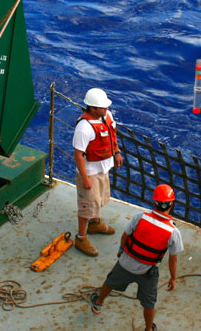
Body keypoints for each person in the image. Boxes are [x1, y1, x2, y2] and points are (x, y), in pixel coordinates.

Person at [89, 184, 183, 331]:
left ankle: (98, 303)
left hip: (126, 263)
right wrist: (173, 278)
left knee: (110, 281)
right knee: (149, 303)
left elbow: (125, 235)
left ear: (155, 202)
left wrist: (121, 250)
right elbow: (173, 259)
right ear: (171, 204)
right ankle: (148, 329)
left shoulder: (141, 217)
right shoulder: (173, 231)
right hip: (148, 272)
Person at [73, 88, 123, 257]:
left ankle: (95, 224)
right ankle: (81, 237)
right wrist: (85, 178)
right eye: (102, 107)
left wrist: (116, 152)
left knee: (99, 199)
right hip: (90, 171)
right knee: (87, 206)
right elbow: (78, 154)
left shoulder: (107, 117)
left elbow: (112, 135)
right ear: (92, 108)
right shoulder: (83, 127)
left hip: (103, 168)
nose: (106, 109)